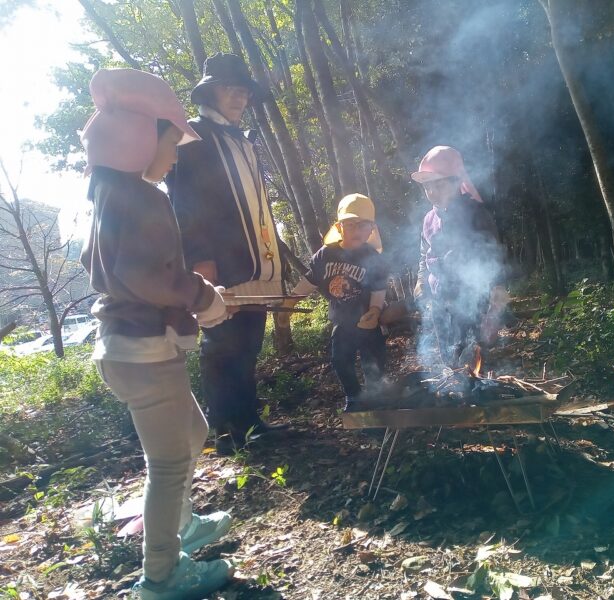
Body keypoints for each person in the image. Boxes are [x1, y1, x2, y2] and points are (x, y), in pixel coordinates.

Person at [80, 68, 233, 599]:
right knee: (168, 464)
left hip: (130, 350)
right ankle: (162, 577)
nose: (175, 154)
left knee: (191, 435)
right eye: (172, 141)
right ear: (141, 139)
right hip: (143, 352)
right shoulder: (140, 197)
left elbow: (109, 267)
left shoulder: (105, 194)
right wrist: (202, 298)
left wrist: (192, 293)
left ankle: (183, 526)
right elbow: (149, 277)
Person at [168, 53, 285, 454]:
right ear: (209, 92)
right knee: (221, 345)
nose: (237, 97)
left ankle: (248, 421)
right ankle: (225, 432)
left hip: (253, 262)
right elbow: (187, 206)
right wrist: (203, 266)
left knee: (249, 342)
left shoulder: (245, 142)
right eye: (228, 89)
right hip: (218, 264)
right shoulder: (192, 138)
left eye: (242, 90)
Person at [287, 194, 388, 412]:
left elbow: (380, 289)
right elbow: (310, 281)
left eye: (364, 225)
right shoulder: (324, 256)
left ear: (372, 229)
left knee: (375, 362)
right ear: (339, 227)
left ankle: (376, 398)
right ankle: (353, 396)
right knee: (341, 361)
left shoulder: (375, 259)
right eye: (350, 225)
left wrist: (375, 309)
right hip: (342, 323)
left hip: (368, 322)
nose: (357, 230)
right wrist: (290, 303)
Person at [411, 146, 508, 366]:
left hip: (471, 298)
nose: (432, 191)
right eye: (427, 186)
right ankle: (454, 386)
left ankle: (479, 390)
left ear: (456, 182)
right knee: (448, 351)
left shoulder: (476, 214)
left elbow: (491, 252)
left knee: (473, 350)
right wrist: (420, 280)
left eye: (439, 184)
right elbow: (424, 253)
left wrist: (497, 289)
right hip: (439, 299)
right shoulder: (428, 219)